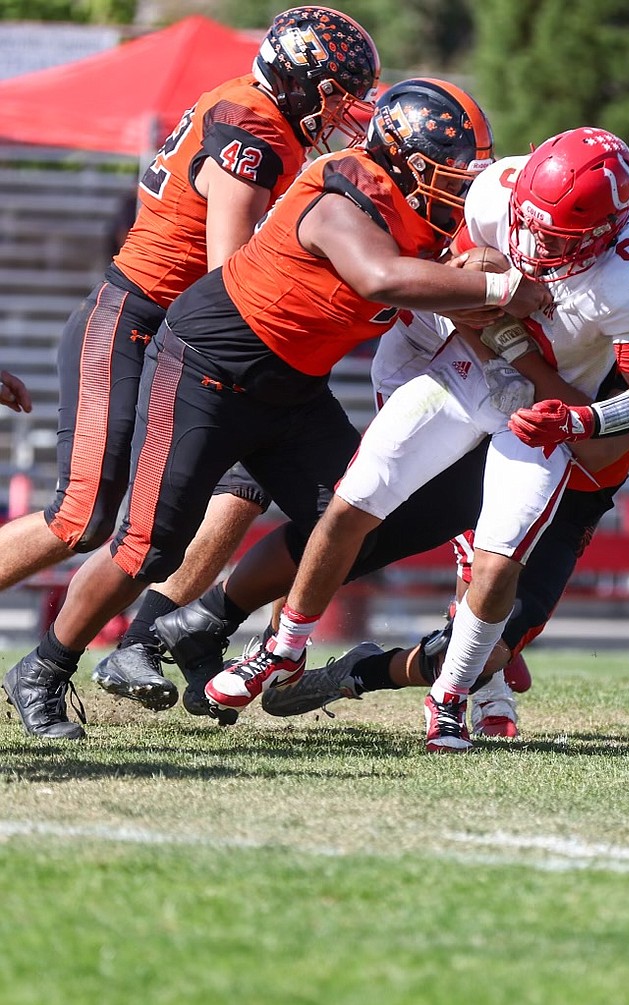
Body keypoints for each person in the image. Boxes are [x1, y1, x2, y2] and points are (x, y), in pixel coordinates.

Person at [203, 127, 629, 753]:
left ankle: (445, 696)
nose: (533, 246)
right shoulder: (496, 196)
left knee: (494, 564)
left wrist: (573, 418)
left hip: (556, 424)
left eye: (555, 238)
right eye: (530, 224)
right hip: (468, 368)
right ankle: (281, 649)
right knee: (354, 500)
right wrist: (511, 342)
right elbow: (457, 292)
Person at [1, 5, 383, 739]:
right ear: (299, 79)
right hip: (138, 324)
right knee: (83, 518)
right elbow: (229, 275)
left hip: (200, 340)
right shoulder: (253, 128)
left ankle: (176, 629)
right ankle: (83, 656)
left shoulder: (254, 108)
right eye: (336, 91)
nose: (345, 109)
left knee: (254, 487)